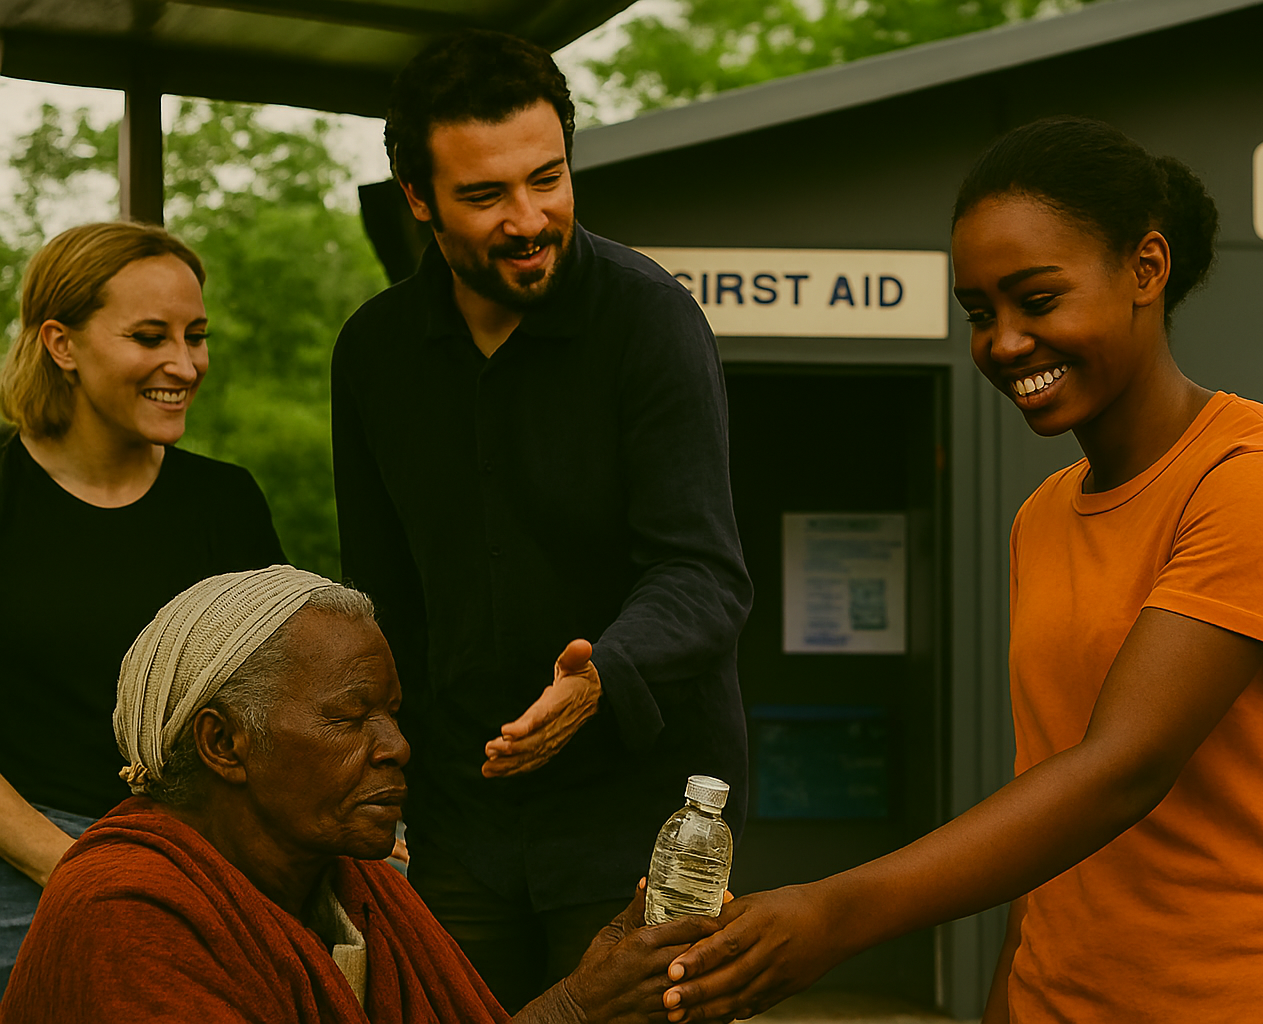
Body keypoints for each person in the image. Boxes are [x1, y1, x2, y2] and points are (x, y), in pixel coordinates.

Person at [660, 116, 1263, 1023]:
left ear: (1147, 268)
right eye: (981, 314)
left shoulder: (1258, 480)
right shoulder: (1044, 515)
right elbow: (1055, 793)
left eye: (1037, 299)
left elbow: (1121, 768)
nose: (1005, 342)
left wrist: (832, 914)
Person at [330, 29, 752, 1011]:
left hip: (644, 820)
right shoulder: (375, 354)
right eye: (485, 197)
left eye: (548, 179)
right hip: (459, 818)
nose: (529, 219)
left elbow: (705, 574)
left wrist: (600, 675)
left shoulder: (651, 320)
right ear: (420, 202)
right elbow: (380, 598)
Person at [0, 566, 719, 1023]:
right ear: (223, 744)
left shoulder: (361, 886)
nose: (396, 747)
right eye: (349, 718)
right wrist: (574, 1010)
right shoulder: (123, 913)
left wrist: (610, 992)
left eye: (394, 714)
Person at [0, 221, 284, 991]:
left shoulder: (225, 501)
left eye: (196, 335)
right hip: (29, 858)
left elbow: (277, 698)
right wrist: (82, 871)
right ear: (61, 343)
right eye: (149, 336)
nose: (185, 365)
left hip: (203, 852)